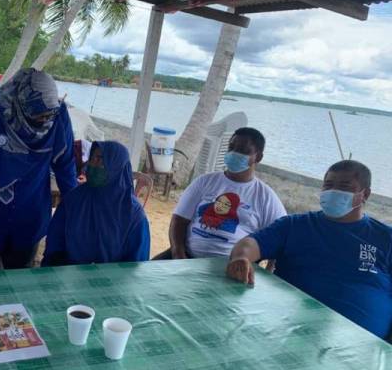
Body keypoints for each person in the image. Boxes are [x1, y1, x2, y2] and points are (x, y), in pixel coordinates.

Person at [226, 160, 392, 340]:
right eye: (328, 185)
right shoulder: (294, 225)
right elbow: (251, 243)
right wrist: (241, 257)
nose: (334, 191)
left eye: (344, 186)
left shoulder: (385, 238)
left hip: (364, 347)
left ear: (364, 194)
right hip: (289, 331)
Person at [0, 68, 77, 269]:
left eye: (49, 114)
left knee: (22, 274)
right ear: (21, 101)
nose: (44, 121)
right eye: (38, 114)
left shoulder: (58, 114)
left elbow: (65, 164)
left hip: (31, 212)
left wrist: (75, 207)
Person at [157, 127, 286, 259]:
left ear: (258, 157)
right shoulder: (204, 182)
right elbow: (179, 220)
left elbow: (282, 237)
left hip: (231, 268)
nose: (234, 153)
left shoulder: (266, 197)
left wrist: (269, 272)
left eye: (242, 150)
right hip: (187, 257)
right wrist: (178, 252)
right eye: (231, 148)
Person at [43, 141, 150, 266]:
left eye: (100, 160)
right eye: (92, 158)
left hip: (114, 282)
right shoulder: (73, 200)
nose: (92, 164)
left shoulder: (134, 215)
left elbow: (136, 264)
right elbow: (55, 243)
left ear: (116, 167)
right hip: (69, 276)